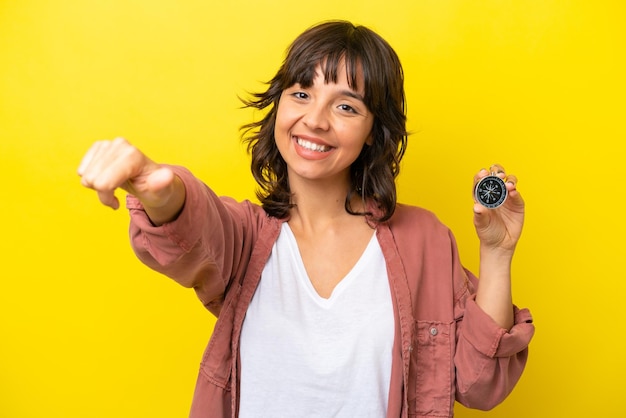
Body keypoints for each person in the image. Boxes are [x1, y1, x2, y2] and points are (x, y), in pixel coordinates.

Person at [77, 20, 534, 418]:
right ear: (279, 105)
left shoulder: (424, 240)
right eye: (301, 93)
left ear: (375, 131)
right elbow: (194, 221)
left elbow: (481, 384)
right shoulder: (245, 238)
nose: (314, 120)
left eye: (346, 106)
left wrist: (497, 252)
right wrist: (160, 185)